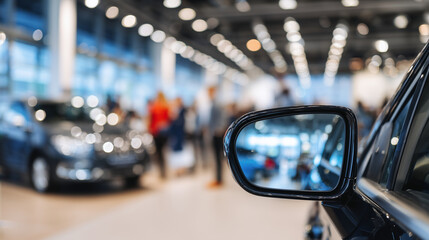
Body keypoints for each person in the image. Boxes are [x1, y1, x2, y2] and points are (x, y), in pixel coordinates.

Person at [207, 86, 229, 188]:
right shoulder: (212, 103)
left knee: (218, 157)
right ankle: (217, 178)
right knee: (216, 158)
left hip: (217, 134)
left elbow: (224, 116)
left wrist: (219, 129)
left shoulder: (217, 103)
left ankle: (219, 179)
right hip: (213, 133)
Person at [148, 92, 171, 179]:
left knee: (159, 152)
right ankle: (164, 171)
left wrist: (150, 129)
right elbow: (169, 120)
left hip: (156, 132)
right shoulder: (166, 106)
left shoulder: (155, 106)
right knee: (164, 152)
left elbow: (151, 120)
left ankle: (162, 171)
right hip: (164, 132)